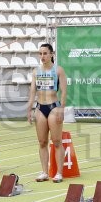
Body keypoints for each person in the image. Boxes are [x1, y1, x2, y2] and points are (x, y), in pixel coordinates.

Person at [27, 43, 67, 183]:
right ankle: (44, 172)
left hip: (54, 107)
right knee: (42, 142)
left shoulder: (58, 70)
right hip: (40, 108)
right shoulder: (36, 71)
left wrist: (62, 109)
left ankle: (59, 173)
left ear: (51, 54)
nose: (42, 56)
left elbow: (63, 92)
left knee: (56, 141)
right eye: (40, 54)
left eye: (45, 53)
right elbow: (32, 92)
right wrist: (29, 109)